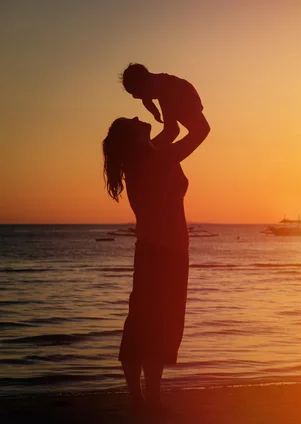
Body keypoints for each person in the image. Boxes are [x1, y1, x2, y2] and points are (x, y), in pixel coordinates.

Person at [102, 111, 210, 415]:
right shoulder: (154, 159)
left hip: (170, 253)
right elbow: (200, 131)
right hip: (158, 253)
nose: (139, 116)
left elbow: (172, 127)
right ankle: (144, 399)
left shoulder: (152, 153)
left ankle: (148, 398)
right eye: (134, 121)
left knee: (157, 325)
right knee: (147, 324)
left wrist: (165, 102)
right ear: (134, 138)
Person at [120, 63, 205, 148]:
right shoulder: (155, 87)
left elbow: (172, 131)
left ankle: (147, 153)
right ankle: (147, 152)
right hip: (182, 94)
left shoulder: (163, 88)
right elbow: (146, 101)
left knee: (193, 130)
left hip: (184, 94)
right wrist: (155, 112)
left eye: (136, 92)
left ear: (142, 83)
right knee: (171, 131)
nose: (135, 96)